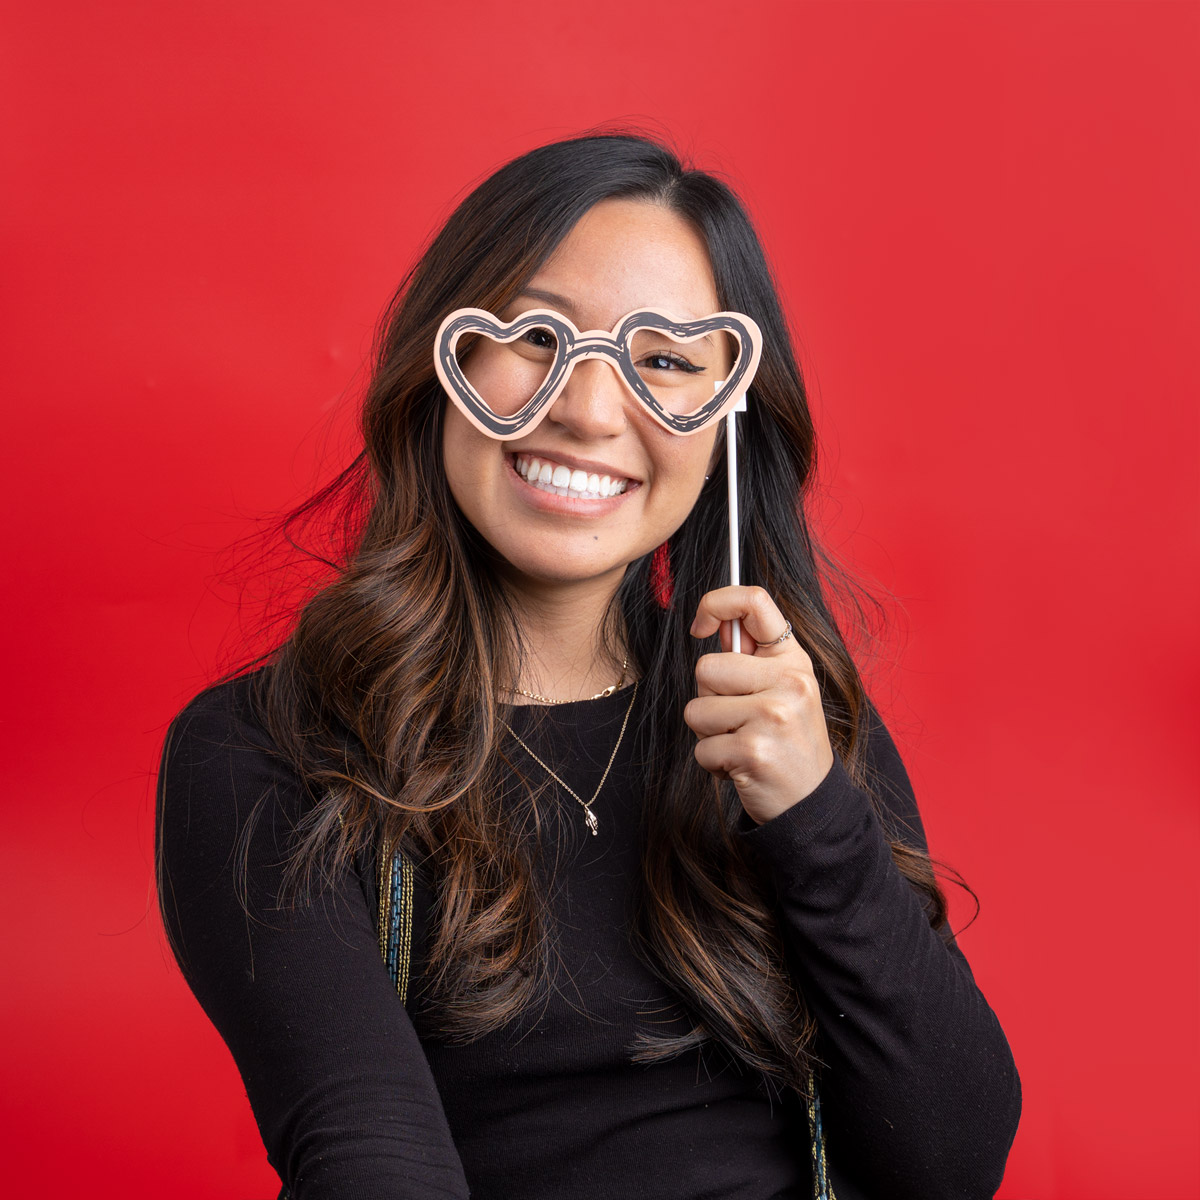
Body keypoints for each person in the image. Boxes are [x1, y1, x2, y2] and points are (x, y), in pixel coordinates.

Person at [156, 131, 1021, 1200]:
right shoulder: (269, 753)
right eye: (533, 335)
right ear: (449, 359)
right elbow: (369, 1152)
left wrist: (813, 816)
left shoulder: (781, 723)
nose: (589, 409)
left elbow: (950, 1163)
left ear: (725, 421)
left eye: (663, 359)